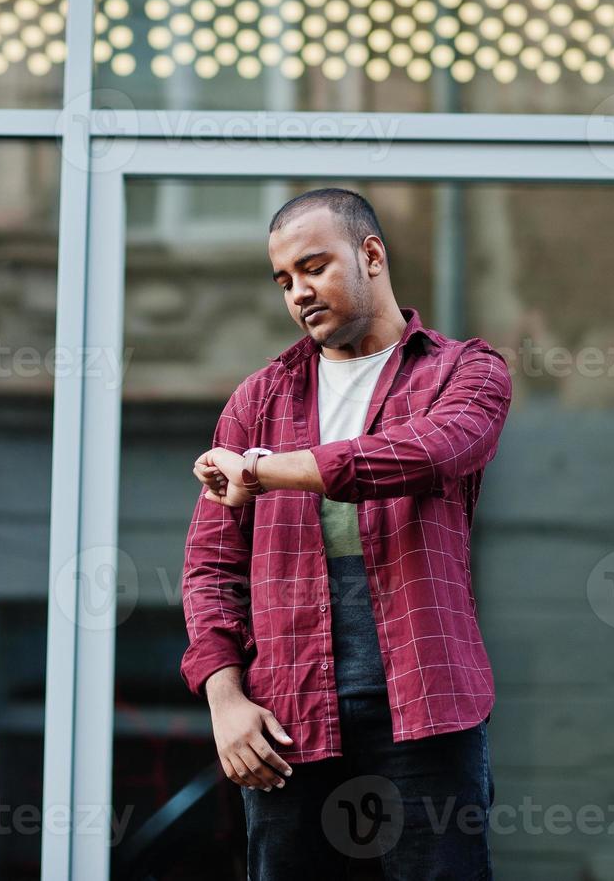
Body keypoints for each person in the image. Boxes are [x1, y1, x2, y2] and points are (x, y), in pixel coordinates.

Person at [180, 187, 513, 879]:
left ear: (370, 255)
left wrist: (264, 472)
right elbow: (211, 570)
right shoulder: (257, 400)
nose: (298, 293)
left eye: (313, 267)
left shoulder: (465, 372)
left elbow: (428, 453)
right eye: (283, 280)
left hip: (427, 703)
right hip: (286, 716)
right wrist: (225, 699)